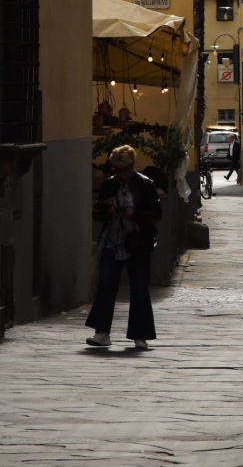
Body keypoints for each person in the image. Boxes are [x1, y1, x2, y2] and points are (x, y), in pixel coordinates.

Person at [85, 145, 161, 350]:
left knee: (139, 287)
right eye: (117, 170)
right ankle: (101, 332)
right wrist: (107, 211)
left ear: (132, 166)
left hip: (137, 241)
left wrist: (135, 214)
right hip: (112, 239)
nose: (121, 174)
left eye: (124, 170)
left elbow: (156, 214)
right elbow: (97, 212)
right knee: (106, 283)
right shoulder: (109, 184)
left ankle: (140, 335)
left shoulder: (145, 185)